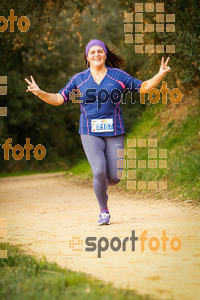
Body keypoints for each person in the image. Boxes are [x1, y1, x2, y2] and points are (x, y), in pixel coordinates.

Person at [24, 39, 170, 226]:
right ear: (87, 56)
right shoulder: (79, 79)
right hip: (89, 131)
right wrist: (40, 93)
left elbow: (142, 88)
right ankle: (104, 211)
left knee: (115, 178)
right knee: (99, 171)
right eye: (92, 52)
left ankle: (102, 187)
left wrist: (160, 75)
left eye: (99, 51)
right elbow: (59, 98)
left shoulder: (118, 76)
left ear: (105, 54)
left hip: (114, 130)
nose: (96, 54)